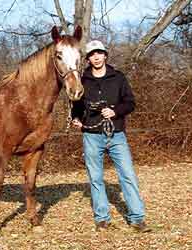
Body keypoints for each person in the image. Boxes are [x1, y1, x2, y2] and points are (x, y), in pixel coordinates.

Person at [71, 40, 151, 233]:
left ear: (105, 55)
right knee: (96, 178)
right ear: (88, 58)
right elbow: (77, 106)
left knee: (128, 175)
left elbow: (130, 103)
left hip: (116, 135)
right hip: (91, 135)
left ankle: (137, 218)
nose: (96, 57)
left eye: (99, 53)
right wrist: (76, 118)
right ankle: (102, 219)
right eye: (92, 54)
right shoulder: (83, 80)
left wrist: (115, 112)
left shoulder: (118, 77)